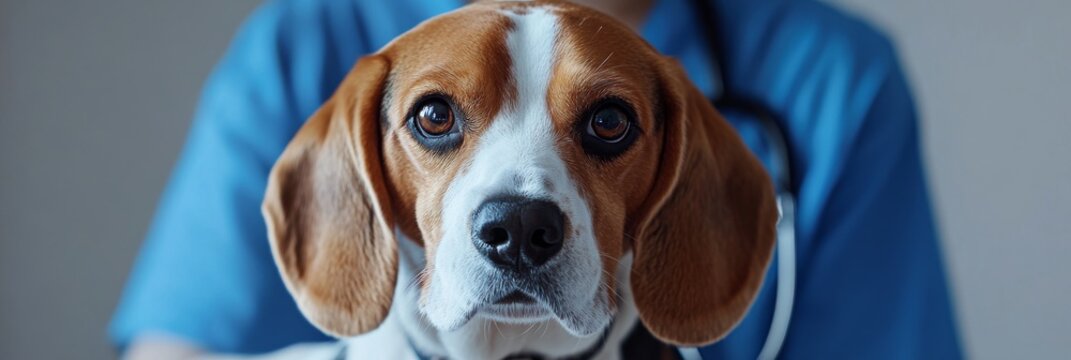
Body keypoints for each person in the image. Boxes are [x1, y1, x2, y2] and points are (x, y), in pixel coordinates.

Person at [111, 0, 963, 358]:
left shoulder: (833, 76)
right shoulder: (313, 38)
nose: (520, 219)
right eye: (438, 120)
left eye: (605, 125)